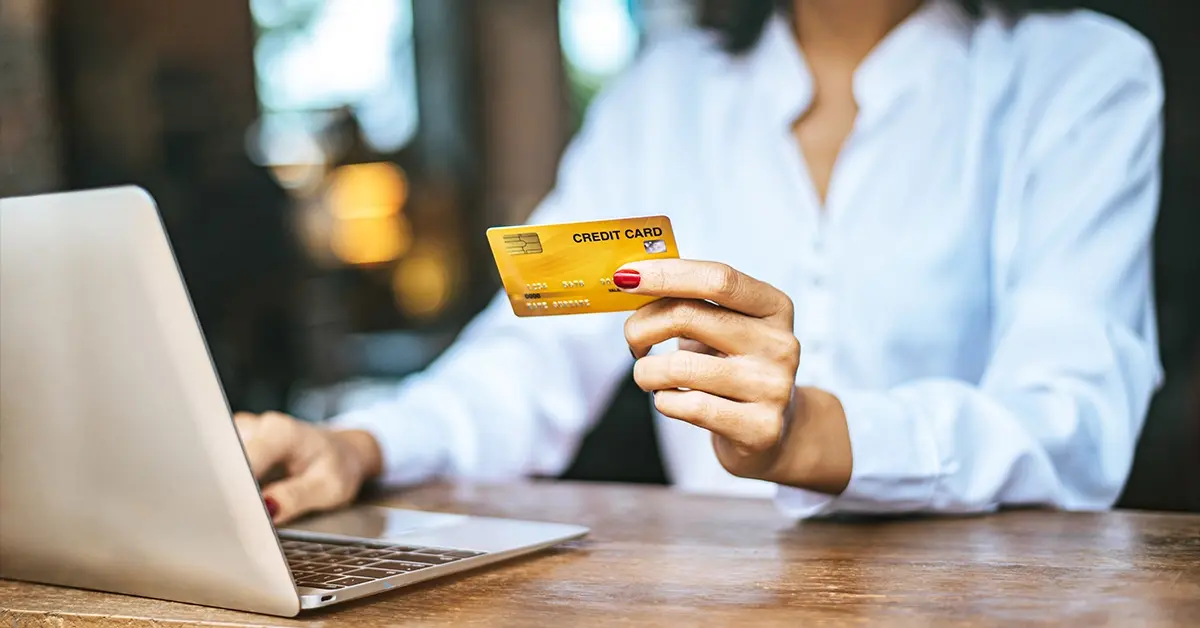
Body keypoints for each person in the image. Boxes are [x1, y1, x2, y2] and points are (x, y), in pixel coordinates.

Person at [235, 0, 1164, 524]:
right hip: (729, 595)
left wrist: (811, 435)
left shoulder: (1081, 73)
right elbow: (531, 358)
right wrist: (359, 445)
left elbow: (1074, 420)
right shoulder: (664, 92)